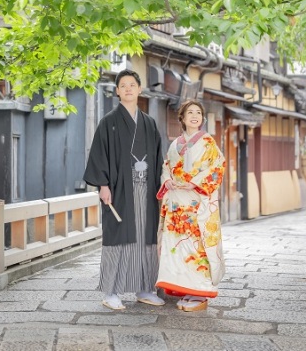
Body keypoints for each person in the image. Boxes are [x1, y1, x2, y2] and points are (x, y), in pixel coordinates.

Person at [83, 69, 165, 310]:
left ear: (140, 89)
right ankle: (110, 291)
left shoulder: (149, 123)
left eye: (133, 84)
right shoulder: (108, 122)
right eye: (123, 85)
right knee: (118, 238)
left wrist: (162, 187)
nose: (128, 88)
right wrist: (103, 185)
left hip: (146, 188)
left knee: (145, 239)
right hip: (119, 190)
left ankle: (144, 288)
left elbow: (159, 158)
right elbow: (99, 154)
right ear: (117, 91)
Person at [156, 100, 226, 312]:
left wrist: (193, 183)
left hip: (196, 200)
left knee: (197, 245)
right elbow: (166, 165)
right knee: (178, 246)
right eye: (190, 112)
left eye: (198, 112)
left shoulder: (208, 143)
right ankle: (187, 288)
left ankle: (200, 292)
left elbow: (217, 166)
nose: (194, 115)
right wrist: (167, 180)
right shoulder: (175, 143)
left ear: (202, 118)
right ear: (183, 118)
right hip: (177, 201)